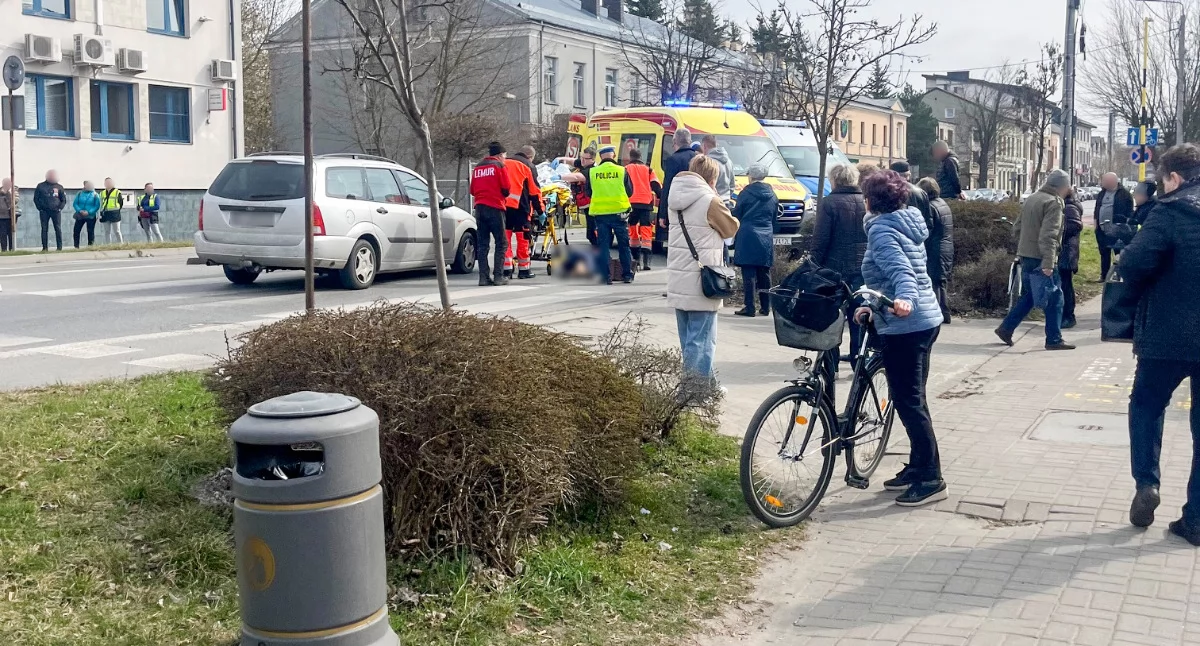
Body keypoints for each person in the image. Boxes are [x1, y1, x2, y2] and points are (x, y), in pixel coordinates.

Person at [1118, 142, 1200, 544]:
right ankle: (1196, 520)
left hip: (1168, 334)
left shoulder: (1169, 212)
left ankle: (1147, 482)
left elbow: (1133, 264)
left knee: (1147, 405)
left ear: (1174, 178)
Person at [857, 170, 946, 507]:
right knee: (914, 400)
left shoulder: (880, 229)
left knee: (909, 401)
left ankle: (931, 479)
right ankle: (921, 466)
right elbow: (902, 271)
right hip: (925, 319)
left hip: (907, 323)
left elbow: (903, 274)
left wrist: (903, 302)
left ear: (870, 200)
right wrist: (872, 305)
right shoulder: (907, 222)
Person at [667, 155, 739, 386]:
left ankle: (709, 386)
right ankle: (693, 392)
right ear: (712, 178)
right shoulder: (710, 200)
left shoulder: (674, 197)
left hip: (679, 277)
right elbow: (730, 228)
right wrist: (717, 197)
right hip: (703, 279)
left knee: (689, 338)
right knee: (702, 339)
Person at [995, 169, 1075, 351]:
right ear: (1062, 187)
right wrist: (1048, 262)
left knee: (1030, 296)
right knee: (1055, 298)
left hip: (1026, 255)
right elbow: (1049, 235)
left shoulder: (1032, 198)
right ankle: (1054, 339)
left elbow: (1017, 228)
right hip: (1042, 257)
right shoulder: (1053, 202)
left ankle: (1006, 328)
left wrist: (1023, 248)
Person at [812, 163, 868, 362]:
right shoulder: (866, 201)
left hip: (834, 268)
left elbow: (821, 239)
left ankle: (831, 362)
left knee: (833, 317)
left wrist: (814, 266)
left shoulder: (829, 203)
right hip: (862, 267)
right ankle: (858, 359)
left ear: (834, 180)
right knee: (859, 315)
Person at [731, 164, 778, 317]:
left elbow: (737, 213)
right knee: (764, 272)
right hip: (766, 235)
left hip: (748, 234)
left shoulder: (745, 193)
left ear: (750, 176)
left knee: (748, 272)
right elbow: (774, 217)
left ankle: (749, 307)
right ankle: (766, 307)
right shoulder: (772, 194)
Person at [585, 146, 635, 284]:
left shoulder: (592, 172)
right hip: (620, 213)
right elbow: (630, 192)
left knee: (603, 245)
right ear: (613, 156)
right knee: (623, 245)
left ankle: (605, 276)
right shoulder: (621, 170)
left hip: (601, 214)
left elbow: (588, 192)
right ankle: (627, 275)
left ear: (601, 157)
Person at [470, 142, 512, 286]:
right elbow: (506, 188)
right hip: (495, 207)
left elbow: (472, 190)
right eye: (505, 156)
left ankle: (483, 277)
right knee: (501, 242)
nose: (505, 159)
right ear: (500, 155)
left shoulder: (478, 167)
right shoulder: (499, 166)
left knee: (482, 244)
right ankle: (498, 276)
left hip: (479, 208)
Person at [915, 177, 955, 324]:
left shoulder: (930, 207)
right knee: (941, 281)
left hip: (935, 248)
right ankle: (945, 312)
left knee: (934, 281)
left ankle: (938, 312)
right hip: (947, 247)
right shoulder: (943, 204)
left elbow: (928, 230)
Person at [503, 146, 542, 280]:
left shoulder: (503, 162)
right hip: (521, 208)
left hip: (503, 207)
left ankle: (506, 269)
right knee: (523, 238)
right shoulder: (528, 166)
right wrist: (540, 210)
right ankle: (524, 270)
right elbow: (534, 191)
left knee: (505, 238)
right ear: (530, 157)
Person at [624, 147, 661, 271]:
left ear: (630, 157)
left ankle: (635, 260)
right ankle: (647, 262)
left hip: (630, 204)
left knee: (633, 230)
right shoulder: (649, 170)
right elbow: (656, 186)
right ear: (641, 157)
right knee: (646, 232)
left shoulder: (625, 169)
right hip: (646, 204)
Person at [1094, 172, 1133, 281]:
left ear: (1113, 181)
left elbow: (1129, 212)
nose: (1103, 183)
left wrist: (1125, 227)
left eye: (1105, 181)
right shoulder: (1102, 193)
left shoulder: (1124, 194)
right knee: (1104, 253)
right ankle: (1104, 275)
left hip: (1118, 230)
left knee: (1119, 254)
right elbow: (1097, 208)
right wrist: (1096, 223)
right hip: (1102, 230)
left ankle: (1119, 275)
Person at [659, 128, 699, 231]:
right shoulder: (698, 158)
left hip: (679, 208)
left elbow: (667, 186)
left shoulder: (673, 159)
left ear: (674, 142)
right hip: (696, 205)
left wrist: (663, 214)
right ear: (689, 141)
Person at [1058, 188, 1084, 329]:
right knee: (1064, 284)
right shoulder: (1067, 205)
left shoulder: (1069, 207)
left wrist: (1058, 232)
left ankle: (1068, 316)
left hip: (1067, 252)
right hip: (1067, 251)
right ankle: (1065, 315)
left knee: (1065, 285)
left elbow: (1074, 225)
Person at [34, 170, 66, 252]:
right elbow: (36, 198)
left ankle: (59, 247)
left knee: (58, 228)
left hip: (56, 211)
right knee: (44, 229)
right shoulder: (41, 186)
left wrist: (59, 208)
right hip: (44, 211)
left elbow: (63, 200)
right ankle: (45, 248)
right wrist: (40, 208)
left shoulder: (59, 187)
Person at [700, 134, 736, 200]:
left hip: (711, 202)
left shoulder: (707, 162)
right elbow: (732, 185)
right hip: (726, 202)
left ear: (704, 146)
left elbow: (703, 186)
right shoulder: (729, 161)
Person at [71, 180, 101, 248]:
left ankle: (90, 246)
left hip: (91, 216)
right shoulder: (79, 193)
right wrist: (79, 210)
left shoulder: (95, 195)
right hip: (80, 215)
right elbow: (75, 203)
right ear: (84, 186)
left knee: (90, 231)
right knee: (76, 230)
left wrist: (89, 212)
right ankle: (76, 246)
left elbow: (97, 205)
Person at [99, 178, 124, 244]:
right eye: (106, 182)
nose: (108, 184)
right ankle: (108, 245)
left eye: (109, 182)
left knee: (117, 231)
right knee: (107, 231)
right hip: (105, 213)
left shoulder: (117, 192)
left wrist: (116, 209)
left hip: (114, 213)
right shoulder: (102, 193)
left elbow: (121, 203)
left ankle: (120, 244)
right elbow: (100, 203)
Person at [0, 179, 18, 252]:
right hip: (1, 216)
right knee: (3, 234)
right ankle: (4, 249)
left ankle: (12, 249)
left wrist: (8, 194)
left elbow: (15, 201)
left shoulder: (14, 191)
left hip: (11, 216)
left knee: (11, 233)